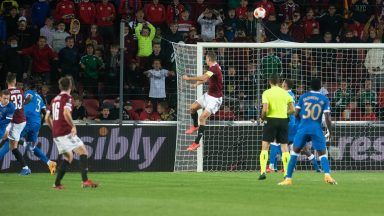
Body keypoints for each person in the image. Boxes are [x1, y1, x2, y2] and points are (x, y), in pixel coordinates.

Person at [279, 78, 337, 186]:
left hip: (303, 128)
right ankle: (327, 175)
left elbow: (296, 113)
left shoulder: (303, 97)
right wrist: (330, 132)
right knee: (322, 154)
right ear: (320, 87)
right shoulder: (324, 99)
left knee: (294, 152)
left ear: (310, 86)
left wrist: (302, 122)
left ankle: (288, 179)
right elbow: (328, 117)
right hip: (316, 128)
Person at [45, 76, 98, 189]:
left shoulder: (54, 99)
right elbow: (66, 113)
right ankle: (85, 181)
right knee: (83, 152)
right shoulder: (68, 98)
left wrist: (53, 128)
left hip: (57, 134)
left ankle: (57, 184)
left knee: (69, 157)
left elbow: (46, 118)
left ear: (60, 86)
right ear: (71, 86)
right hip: (65, 132)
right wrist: (73, 126)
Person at [267, 79, 320, 173]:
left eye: (283, 83)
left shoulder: (284, 95)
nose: (281, 84)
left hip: (287, 123)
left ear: (285, 85)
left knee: (276, 143)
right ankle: (317, 167)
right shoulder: (292, 94)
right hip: (295, 124)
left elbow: (286, 109)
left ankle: (274, 166)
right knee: (302, 148)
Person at [182, 51, 223, 151]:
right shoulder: (214, 67)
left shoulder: (215, 68)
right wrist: (197, 84)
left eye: (206, 58)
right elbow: (206, 79)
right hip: (208, 95)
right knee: (192, 108)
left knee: (202, 117)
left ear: (208, 59)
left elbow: (204, 77)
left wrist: (189, 78)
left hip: (215, 99)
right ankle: (195, 126)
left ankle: (196, 143)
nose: (205, 60)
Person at [258, 73, 295, 180]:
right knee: (284, 147)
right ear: (279, 82)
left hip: (271, 120)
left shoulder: (266, 93)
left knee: (265, 146)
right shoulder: (285, 94)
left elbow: (265, 109)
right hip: (283, 121)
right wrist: (284, 113)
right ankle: (286, 174)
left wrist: (263, 118)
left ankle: (263, 172)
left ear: (269, 82)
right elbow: (293, 110)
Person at [20, 82, 57, 174]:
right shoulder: (41, 98)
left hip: (28, 121)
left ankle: (25, 168)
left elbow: (28, 98)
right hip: (36, 124)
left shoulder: (29, 92)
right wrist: (41, 123)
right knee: (31, 147)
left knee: (13, 138)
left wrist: (21, 105)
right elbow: (45, 113)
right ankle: (50, 163)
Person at [0, 73, 32, 175]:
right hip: (21, 120)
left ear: (6, 82)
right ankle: (25, 167)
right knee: (12, 144)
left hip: (14, 121)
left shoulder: (6, 94)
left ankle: (26, 167)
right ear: (15, 81)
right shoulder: (20, 91)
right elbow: (22, 103)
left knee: (11, 143)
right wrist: (28, 99)